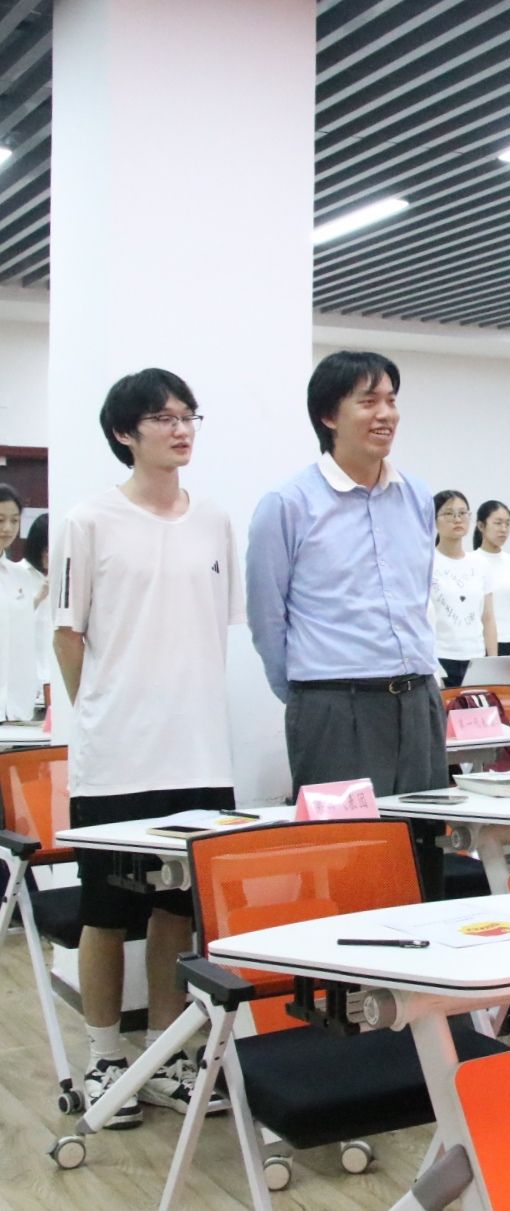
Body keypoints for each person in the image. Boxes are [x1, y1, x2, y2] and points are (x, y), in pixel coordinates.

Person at [55, 369, 242, 1126]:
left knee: (176, 913)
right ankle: (106, 1055)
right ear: (125, 433)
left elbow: (216, 627)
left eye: (188, 414)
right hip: (117, 759)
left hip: (201, 754)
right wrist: (104, 713)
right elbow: (69, 635)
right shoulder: (89, 520)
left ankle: (167, 1057)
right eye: (163, 417)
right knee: (107, 911)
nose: (181, 428)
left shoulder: (216, 520)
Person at [247, 351, 448, 896]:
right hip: (334, 704)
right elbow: (266, 616)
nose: (386, 414)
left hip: (416, 701)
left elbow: (417, 594)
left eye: (391, 400)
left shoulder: (416, 496)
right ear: (329, 416)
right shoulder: (288, 504)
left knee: (422, 860)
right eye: (368, 401)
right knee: (344, 869)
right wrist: (312, 696)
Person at [430, 490, 496, 687]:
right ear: (433, 520)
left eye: (462, 513)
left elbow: (488, 617)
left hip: (476, 658)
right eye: (449, 514)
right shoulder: (426, 563)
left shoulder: (480, 564)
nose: (457, 519)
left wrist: (492, 662)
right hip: (439, 657)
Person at [0, 484, 39, 721]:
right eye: (0, 519)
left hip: (16, 706)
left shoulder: (20, 575)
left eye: (14, 520)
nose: (7, 528)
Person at [471, 499, 510, 655]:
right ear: (481, 526)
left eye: (507, 524)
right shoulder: (471, 562)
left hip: (508, 640)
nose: (503, 529)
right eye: (498, 523)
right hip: (478, 641)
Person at [23, 512, 52, 694]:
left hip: (54, 674)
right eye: (45, 549)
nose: (49, 555)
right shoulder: (18, 573)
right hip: (27, 673)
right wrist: (39, 596)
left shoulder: (67, 574)